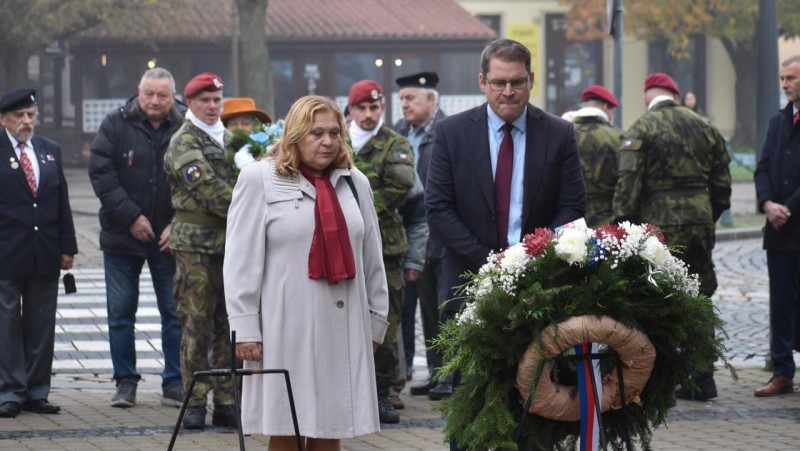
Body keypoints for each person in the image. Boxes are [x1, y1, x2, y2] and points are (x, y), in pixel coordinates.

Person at [425, 39, 585, 449]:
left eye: (517, 82)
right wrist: (493, 263)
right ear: (482, 82)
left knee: (535, 393)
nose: (508, 92)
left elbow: (572, 206)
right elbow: (439, 209)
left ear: (531, 80)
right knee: (472, 399)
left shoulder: (559, 134)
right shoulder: (451, 133)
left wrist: (532, 259)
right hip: (467, 281)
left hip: (541, 283)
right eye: (498, 82)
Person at [224, 95, 389, 450]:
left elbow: (372, 258)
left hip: (342, 326)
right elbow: (240, 260)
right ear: (295, 135)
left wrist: (376, 322)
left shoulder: (354, 182)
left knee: (330, 427)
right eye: (316, 133)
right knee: (288, 425)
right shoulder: (259, 179)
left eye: (334, 133)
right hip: (286, 327)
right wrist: (245, 327)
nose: (327, 141)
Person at [613, 72, 731, 401]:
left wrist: (625, 225)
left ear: (647, 96)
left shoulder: (640, 128)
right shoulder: (705, 126)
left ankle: (658, 381)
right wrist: (709, 214)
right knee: (700, 296)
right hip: (698, 220)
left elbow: (628, 186)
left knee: (656, 296)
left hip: (657, 225)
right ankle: (703, 377)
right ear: (675, 94)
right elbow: (723, 184)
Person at [88, 68, 185, 409]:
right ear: (138, 92)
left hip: (170, 238)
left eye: (162, 95)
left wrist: (180, 223)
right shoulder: (115, 123)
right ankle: (125, 381)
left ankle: (174, 381)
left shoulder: (186, 125)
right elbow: (101, 172)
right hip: (122, 235)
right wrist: (130, 216)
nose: (155, 102)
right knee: (120, 313)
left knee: (174, 313)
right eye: (149, 95)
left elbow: (194, 182)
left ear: (173, 96)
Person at [163, 72, 237, 430]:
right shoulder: (184, 141)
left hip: (231, 245)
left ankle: (226, 399)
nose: (212, 107)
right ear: (189, 103)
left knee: (228, 323)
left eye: (216, 100)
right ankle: (194, 399)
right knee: (196, 324)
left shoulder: (230, 139)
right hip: (196, 247)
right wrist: (253, 206)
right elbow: (207, 190)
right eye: (204, 101)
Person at [0, 89, 78, 418]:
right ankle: (10, 391)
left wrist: (68, 246)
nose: (26, 121)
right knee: (7, 325)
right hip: (6, 252)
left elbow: (60, 200)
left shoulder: (49, 150)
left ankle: (37, 390)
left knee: (41, 323)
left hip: (44, 250)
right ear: (3, 118)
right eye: (19, 115)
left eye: (30, 114)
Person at [348, 79, 416, 423]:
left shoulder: (395, 144)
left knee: (385, 320)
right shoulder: (338, 141)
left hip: (385, 247)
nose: (369, 114)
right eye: (362, 108)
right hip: (340, 245)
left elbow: (398, 187)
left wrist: (345, 207)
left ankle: (382, 390)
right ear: (351, 109)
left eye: (374, 108)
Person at [393, 71, 449, 398]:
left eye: (411, 98)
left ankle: (448, 375)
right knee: (422, 308)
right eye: (402, 99)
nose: (405, 105)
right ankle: (434, 371)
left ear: (431, 99)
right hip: (409, 234)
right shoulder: (398, 133)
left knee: (443, 307)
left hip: (441, 234)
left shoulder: (446, 132)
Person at [753, 55, 800, 398]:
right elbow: (763, 167)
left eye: (791, 78)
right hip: (779, 231)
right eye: (782, 79)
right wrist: (768, 204)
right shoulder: (777, 121)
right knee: (780, 303)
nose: (785, 85)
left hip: (796, 221)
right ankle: (782, 370)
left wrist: (790, 207)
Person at [573, 84, 624, 228]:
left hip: (569, 223)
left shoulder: (559, 135)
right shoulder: (618, 137)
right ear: (606, 107)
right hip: (607, 222)